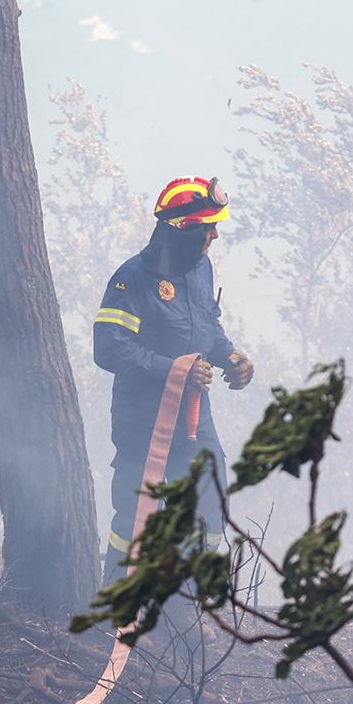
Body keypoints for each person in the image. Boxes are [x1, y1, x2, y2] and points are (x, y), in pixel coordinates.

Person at [93, 176, 256, 579]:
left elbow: (206, 324)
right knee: (140, 516)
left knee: (209, 501)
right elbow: (109, 347)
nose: (215, 235)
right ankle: (118, 601)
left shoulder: (200, 269)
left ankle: (186, 600)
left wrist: (229, 356)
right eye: (209, 227)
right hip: (142, 419)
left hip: (194, 417)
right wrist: (174, 370)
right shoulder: (132, 279)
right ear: (184, 230)